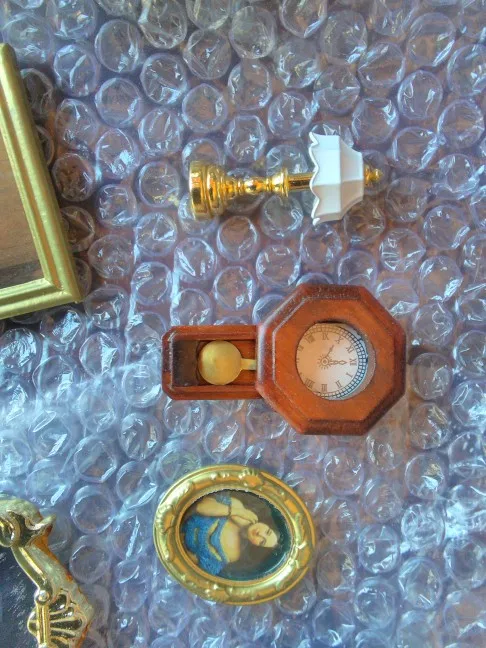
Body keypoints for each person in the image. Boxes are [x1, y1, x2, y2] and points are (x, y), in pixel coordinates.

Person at [182, 493, 279, 576]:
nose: (260, 534)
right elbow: (200, 507)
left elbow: (193, 563)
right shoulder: (237, 506)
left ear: (256, 546)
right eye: (267, 532)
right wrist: (238, 512)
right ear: (266, 524)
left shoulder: (234, 555)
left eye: (262, 542)